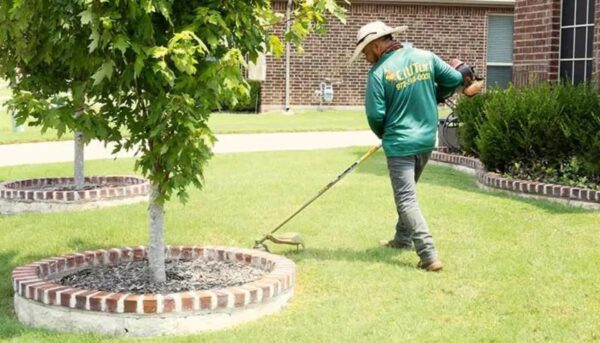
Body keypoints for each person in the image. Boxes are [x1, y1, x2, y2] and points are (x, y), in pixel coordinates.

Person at [350, 21, 482, 272]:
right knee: (407, 194)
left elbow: (376, 115)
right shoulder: (425, 57)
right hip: (425, 141)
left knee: (406, 198)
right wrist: (436, 93)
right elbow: (456, 78)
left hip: (400, 144)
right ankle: (402, 239)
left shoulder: (378, 74)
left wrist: (385, 134)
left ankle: (428, 254)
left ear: (377, 45)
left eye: (366, 52)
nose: (366, 59)